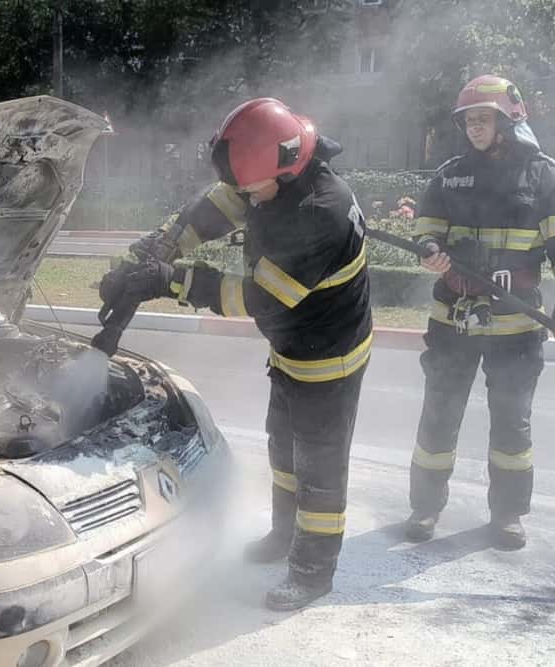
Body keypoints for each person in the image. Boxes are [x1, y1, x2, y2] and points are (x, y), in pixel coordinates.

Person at [99, 98, 371, 610]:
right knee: (284, 452)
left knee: (319, 468)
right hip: (292, 346)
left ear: (287, 171)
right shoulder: (277, 172)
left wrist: (170, 281)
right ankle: (283, 536)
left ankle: (313, 572)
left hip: (328, 359)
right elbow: (219, 205)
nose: (245, 195)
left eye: (251, 187)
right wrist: (160, 247)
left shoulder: (320, 215)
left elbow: (256, 298)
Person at [406, 75, 555, 549]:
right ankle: (425, 509)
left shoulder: (544, 176)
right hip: (453, 321)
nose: (474, 127)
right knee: (438, 418)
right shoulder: (450, 173)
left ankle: (508, 515)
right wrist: (429, 247)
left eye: (482, 118)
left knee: (512, 423)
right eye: (468, 120)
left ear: (509, 120)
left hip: (515, 326)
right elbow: (427, 227)